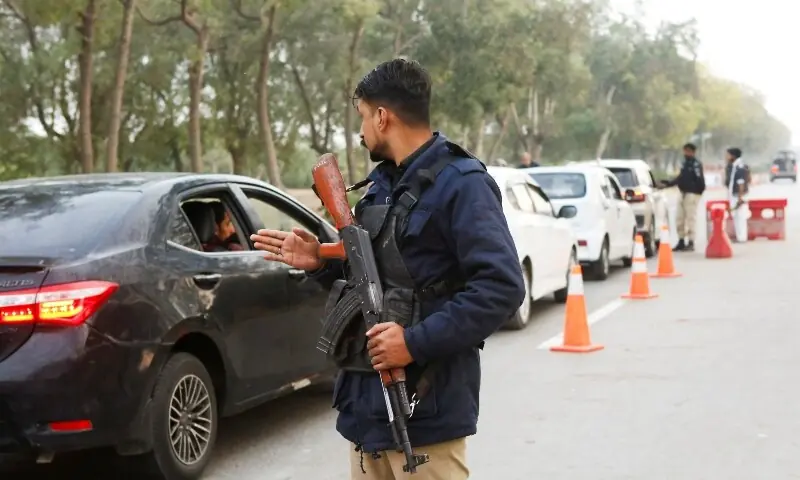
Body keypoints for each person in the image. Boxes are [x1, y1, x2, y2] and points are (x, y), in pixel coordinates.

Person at [250, 59, 525, 480]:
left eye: (362, 117)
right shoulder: (379, 186)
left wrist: (413, 343)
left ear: (382, 116)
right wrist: (319, 264)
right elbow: (369, 283)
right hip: (366, 415)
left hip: (426, 417)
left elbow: (501, 288)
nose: (361, 133)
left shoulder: (463, 183)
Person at [663, 143, 705, 251]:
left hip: (692, 193)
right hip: (682, 192)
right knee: (679, 218)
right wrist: (669, 183)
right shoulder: (684, 163)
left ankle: (691, 241)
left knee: (691, 218)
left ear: (693, 152)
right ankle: (681, 240)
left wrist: (697, 192)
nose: (686, 153)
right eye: (685, 151)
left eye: (688, 151)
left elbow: (700, 180)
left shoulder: (696, 164)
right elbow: (680, 178)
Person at [725, 147, 749, 243]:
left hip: (738, 195)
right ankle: (739, 236)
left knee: (741, 216)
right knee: (736, 216)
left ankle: (742, 237)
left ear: (733, 156)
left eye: (728, 155)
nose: (726, 157)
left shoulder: (740, 167)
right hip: (734, 195)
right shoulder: (733, 166)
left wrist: (740, 197)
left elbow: (741, 183)